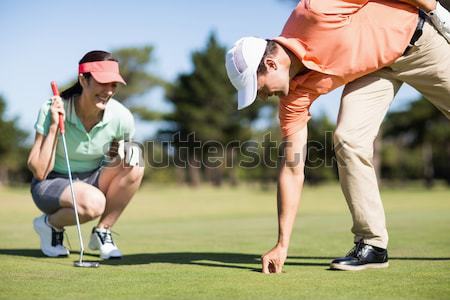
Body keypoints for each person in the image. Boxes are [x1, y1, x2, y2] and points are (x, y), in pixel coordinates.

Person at [225, 0, 450, 272]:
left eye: (258, 88)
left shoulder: (313, 11)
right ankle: (373, 244)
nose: (262, 97)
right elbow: (292, 168)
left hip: (418, 43)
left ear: (271, 64)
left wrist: (437, 11)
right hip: (374, 69)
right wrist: (282, 243)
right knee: (348, 139)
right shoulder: (292, 98)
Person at [27, 50, 144, 259]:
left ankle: (103, 231)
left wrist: (121, 154)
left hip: (92, 179)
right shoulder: (51, 108)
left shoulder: (121, 116)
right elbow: (39, 171)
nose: (108, 91)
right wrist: (55, 126)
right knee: (94, 203)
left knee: (136, 160)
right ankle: (49, 224)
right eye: (102, 82)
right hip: (50, 184)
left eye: (113, 85)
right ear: (83, 80)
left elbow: (124, 155)